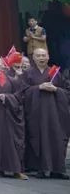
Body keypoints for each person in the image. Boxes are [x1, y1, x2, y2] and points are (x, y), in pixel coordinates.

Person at [21, 48, 70, 178]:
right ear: (33, 58)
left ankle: (58, 170)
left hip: (55, 114)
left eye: (44, 55)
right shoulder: (27, 74)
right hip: (37, 113)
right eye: (38, 56)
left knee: (57, 138)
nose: (41, 58)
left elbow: (67, 91)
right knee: (39, 138)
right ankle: (41, 169)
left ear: (48, 57)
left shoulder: (56, 72)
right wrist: (39, 87)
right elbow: (22, 92)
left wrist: (56, 89)